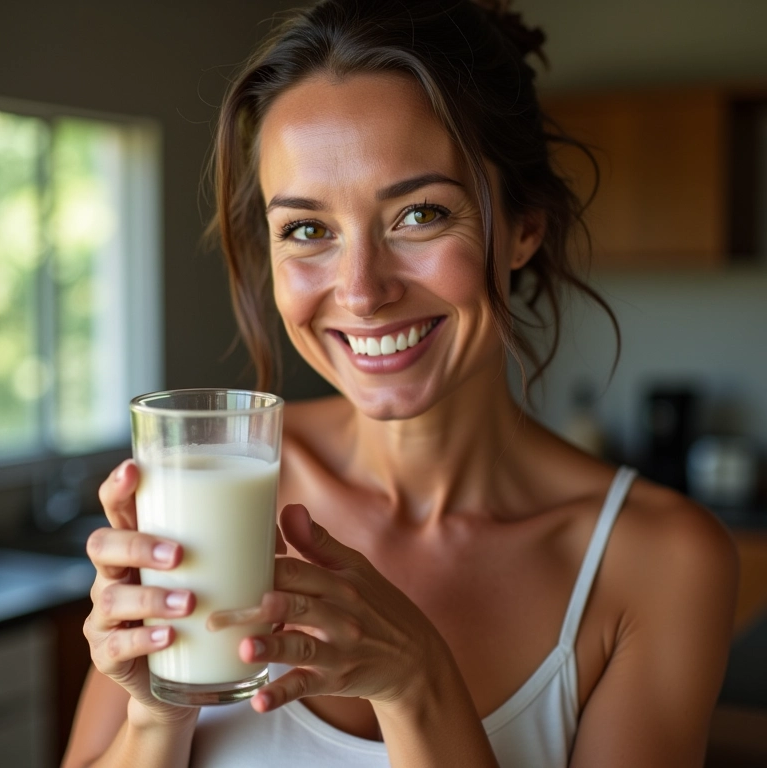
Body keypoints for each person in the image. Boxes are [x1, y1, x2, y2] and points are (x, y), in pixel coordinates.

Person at [62, 1, 738, 766]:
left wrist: (417, 685)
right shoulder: (198, 485)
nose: (360, 290)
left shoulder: (658, 563)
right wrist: (157, 713)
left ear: (523, 227)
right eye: (308, 230)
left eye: (420, 214)